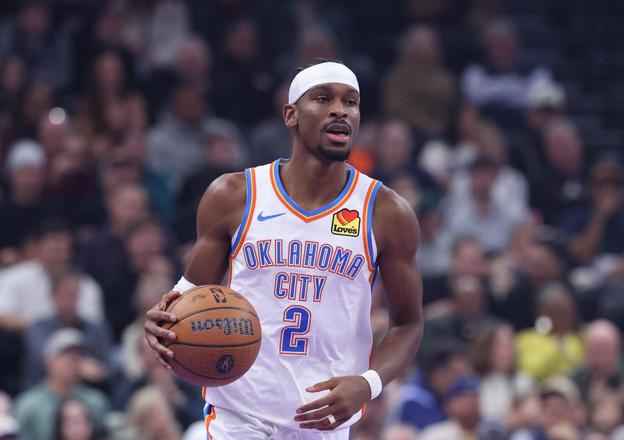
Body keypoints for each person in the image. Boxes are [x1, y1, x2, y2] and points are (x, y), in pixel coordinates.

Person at [144, 59, 423, 439]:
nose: (340, 110)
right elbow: (188, 296)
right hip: (240, 415)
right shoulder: (234, 195)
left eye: (351, 102)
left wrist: (368, 383)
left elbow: (408, 324)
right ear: (291, 114)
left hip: (324, 421)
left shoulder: (386, 212)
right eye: (323, 98)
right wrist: (163, 321)